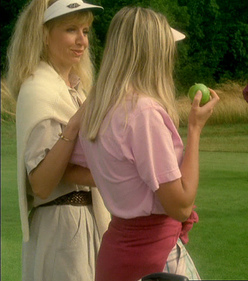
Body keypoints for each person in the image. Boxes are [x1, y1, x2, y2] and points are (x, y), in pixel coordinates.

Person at [71, 7, 219, 281]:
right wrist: (196, 129)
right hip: (152, 259)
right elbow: (181, 206)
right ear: (152, 52)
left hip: (115, 254)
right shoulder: (144, 113)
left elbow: (73, 168)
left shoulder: (98, 109)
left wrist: (120, 181)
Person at [6, 0, 109, 280]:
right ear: (44, 34)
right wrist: (75, 124)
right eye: (71, 29)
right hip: (63, 228)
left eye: (85, 31)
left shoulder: (76, 90)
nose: (82, 41)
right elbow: (40, 183)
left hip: (88, 222)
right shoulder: (38, 90)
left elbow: (74, 166)